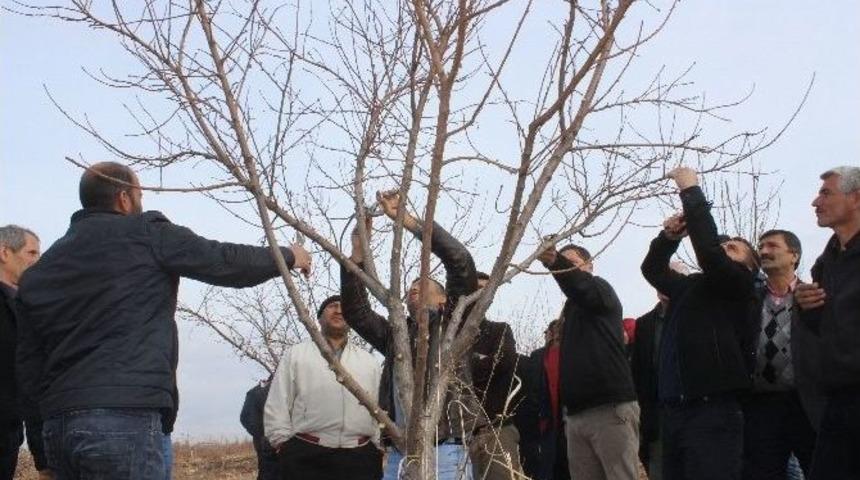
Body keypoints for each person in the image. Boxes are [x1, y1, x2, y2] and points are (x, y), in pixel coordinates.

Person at [15, 162, 311, 480]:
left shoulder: (39, 272)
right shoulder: (147, 232)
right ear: (125, 198)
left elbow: (29, 368)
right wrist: (288, 256)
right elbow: (223, 261)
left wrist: (42, 452)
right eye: (140, 194)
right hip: (125, 417)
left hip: (58, 427)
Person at [340, 191, 493, 480]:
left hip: (446, 453)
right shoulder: (396, 335)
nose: (413, 287)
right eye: (409, 285)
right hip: (401, 453)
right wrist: (358, 254)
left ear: (442, 300)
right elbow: (356, 312)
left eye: (422, 283)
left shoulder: (452, 325)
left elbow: (460, 261)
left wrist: (408, 221)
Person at [641, 167, 760, 480]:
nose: (723, 250)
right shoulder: (691, 286)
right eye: (723, 247)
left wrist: (690, 190)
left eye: (733, 249)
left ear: (749, 265)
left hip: (714, 410)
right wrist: (667, 239)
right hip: (675, 410)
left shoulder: (739, 285)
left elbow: (709, 252)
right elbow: (653, 270)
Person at [538, 241, 639, 480]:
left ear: (590, 265)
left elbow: (581, 287)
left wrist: (555, 262)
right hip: (575, 415)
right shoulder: (568, 313)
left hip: (609, 408)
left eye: (571, 264)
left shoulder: (601, 290)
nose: (565, 271)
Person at [264, 296, 383, 480]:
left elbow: (377, 407)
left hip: (361, 459)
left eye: (344, 307)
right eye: (332, 306)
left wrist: (376, 446)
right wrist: (283, 446)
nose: (339, 310)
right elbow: (278, 401)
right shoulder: (296, 354)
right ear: (319, 318)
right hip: (306, 456)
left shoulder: (369, 362)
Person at [795, 166, 860, 480]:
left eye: (826, 193)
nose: (815, 202)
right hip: (838, 398)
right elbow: (825, 327)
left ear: (856, 198)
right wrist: (808, 308)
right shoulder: (827, 260)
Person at [742, 229, 819, 479]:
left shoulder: (814, 297)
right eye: (761, 246)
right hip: (761, 406)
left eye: (773, 246)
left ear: (794, 255)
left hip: (806, 403)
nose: (764, 251)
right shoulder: (750, 300)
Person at [0, 225, 50, 480]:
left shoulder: (25, 307)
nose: (37, 261)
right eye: (31, 253)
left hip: (9, 435)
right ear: (4, 252)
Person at [631, 262, 688, 480]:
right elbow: (639, 371)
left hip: (696, 410)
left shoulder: (700, 316)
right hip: (658, 414)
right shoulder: (644, 324)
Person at [469, 272, 522, 480]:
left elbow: (504, 361)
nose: (482, 295)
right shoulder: (449, 335)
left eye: (487, 290)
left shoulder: (499, 331)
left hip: (496, 430)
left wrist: (469, 365)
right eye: (476, 289)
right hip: (457, 438)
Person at [527, 319, 569, 480]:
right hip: (548, 424)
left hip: (569, 422)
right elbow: (533, 391)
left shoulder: (573, 355)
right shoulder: (538, 357)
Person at [241, 378, 279, 480]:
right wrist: (260, 433)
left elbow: (244, 418)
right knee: (269, 470)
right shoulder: (254, 393)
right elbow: (244, 417)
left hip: (270, 438)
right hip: (266, 440)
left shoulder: (253, 393)